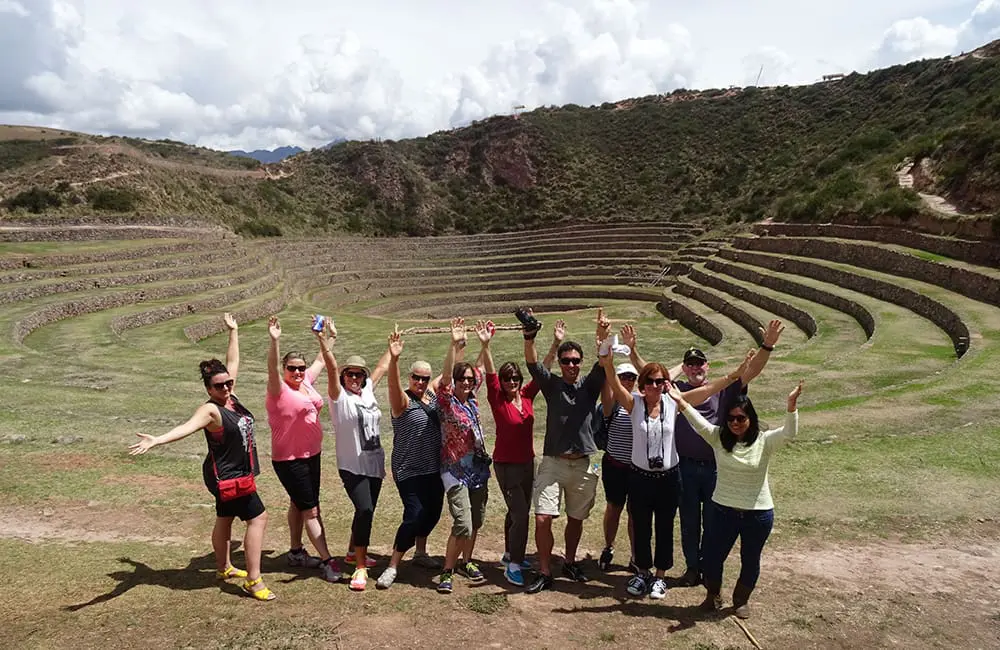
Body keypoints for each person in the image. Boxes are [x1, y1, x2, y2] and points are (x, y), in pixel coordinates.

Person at [129, 313, 275, 601]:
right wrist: (157, 440)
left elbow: (232, 363)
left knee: (225, 517)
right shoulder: (211, 410)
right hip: (228, 474)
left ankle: (223, 568)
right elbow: (186, 428)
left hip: (226, 471)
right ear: (208, 389)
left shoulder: (230, 396)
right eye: (219, 386)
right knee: (258, 518)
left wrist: (233, 332)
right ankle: (254, 580)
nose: (226, 388)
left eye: (228, 383)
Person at [600, 348, 750, 599]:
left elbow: (708, 391)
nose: (655, 386)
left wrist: (733, 375)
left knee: (665, 527)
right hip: (639, 477)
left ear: (666, 384)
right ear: (642, 384)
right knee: (641, 526)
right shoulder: (633, 403)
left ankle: (660, 576)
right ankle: (642, 571)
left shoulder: (674, 403)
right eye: (650, 381)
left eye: (660, 381)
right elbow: (613, 381)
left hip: (668, 478)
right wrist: (606, 357)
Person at [649, 320, 785, 587]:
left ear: (707, 366)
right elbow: (658, 376)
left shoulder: (724, 389)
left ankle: (709, 569)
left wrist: (767, 345)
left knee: (713, 522)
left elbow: (752, 370)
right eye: (690, 364)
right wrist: (679, 366)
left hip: (715, 468)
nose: (695, 368)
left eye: (700, 363)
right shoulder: (674, 392)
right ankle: (692, 568)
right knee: (689, 522)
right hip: (685, 467)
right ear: (684, 368)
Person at [666, 378, 803, 618]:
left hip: (758, 514)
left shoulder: (765, 441)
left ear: (751, 418)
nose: (736, 423)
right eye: (730, 419)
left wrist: (791, 406)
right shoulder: (718, 438)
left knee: (749, 560)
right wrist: (680, 401)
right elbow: (697, 423)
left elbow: (790, 433)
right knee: (711, 558)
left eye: (741, 418)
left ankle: (741, 600)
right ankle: (713, 595)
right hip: (723, 511)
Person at [523, 307, 611, 594]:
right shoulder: (552, 385)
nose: (571, 365)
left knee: (576, 518)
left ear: (581, 363)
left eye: (575, 361)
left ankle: (570, 561)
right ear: (560, 363)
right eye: (566, 361)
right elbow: (534, 365)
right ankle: (546, 570)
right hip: (554, 461)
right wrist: (530, 337)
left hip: (584, 464)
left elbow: (605, 360)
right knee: (542, 517)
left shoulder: (590, 384)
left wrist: (602, 334)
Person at [316, 319, 391, 591]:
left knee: (366, 512)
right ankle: (359, 567)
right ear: (343, 376)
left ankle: (351, 551)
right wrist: (323, 341)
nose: (355, 379)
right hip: (352, 465)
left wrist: (391, 349)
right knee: (365, 509)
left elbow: (382, 367)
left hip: (374, 463)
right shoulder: (339, 399)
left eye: (359, 375)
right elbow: (332, 366)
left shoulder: (367, 390)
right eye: (350, 374)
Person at [265, 316, 341, 583]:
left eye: (300, 368)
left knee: (299, 503)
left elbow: (322, 359)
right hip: (290, 459)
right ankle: (327, 560)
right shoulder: (279, 390)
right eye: (292, 368)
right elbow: (272, 369)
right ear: (284, 369)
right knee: (311, 510)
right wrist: (274, 340)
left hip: (312, 455)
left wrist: (329, 334)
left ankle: (296, 552)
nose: (297, 372)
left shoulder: (306, 381)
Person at [376, 326, 446, 590]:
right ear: (410, 377)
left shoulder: (430, 394)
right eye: (416, 378)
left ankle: (420, 553)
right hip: (408, 469)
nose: (420, 382)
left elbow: (446, 376)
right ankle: (393, 565)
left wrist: (455, 344)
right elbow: (393, 385)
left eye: (424, 378)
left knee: (433, 513)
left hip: (432, 467)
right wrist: (393, 358)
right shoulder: (401, 400)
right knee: (414, 514)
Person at [477, 319, 540, 587]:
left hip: (528, 463)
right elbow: (490, 375)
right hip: (506, 466)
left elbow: (541, 373)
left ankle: (508, 553)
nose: (511, 382)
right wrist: (486, 344)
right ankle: (514, 565)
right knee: (522, 513)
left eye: (515, 378)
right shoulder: (497, 398)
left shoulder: (526, 396)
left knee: (516, 512)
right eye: (507, 378)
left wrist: (552, 343)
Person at [434, 318, 491, 594]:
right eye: (462, 379)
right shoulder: (446, 401)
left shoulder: (473, 398)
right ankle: (447, 569)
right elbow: (444, 378)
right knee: (463, 523)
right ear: (455, 382)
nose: (467, 382)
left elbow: (478, 370)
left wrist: (484, 344)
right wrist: (453, 344)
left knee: (476, 521)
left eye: (470, 380)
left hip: (478, 468)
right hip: (454, 469)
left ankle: (466, 562)